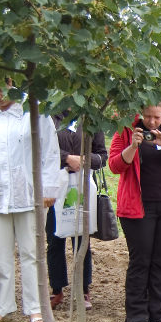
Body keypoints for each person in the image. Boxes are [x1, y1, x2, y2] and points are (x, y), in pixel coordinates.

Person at [0, 78, 60, 322]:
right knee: (1, 254)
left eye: (1, 90)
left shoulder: (34, 110)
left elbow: (50, 151)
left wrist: (49, 188)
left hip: (29, 194)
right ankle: (2, 306)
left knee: (31, 252)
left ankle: (34, 307)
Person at [108, 100, 161, 322]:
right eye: (147, 117)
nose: (152, 122)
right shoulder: (127, 130)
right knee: (140, 261)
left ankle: (159, 312)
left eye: (157, 117)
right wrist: (132, 146)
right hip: (138, 207)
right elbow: (114, 165)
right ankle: (136, 314)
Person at [47, 113, 108, 311]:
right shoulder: (50, 117)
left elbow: (102, 156)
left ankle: (83, 289)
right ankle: (57, 289)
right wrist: (66, 159)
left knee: (82, 239)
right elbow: (43, 151)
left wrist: (84, 159)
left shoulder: (90, 116)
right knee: (54, 239)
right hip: (55, 187)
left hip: (82, 186)